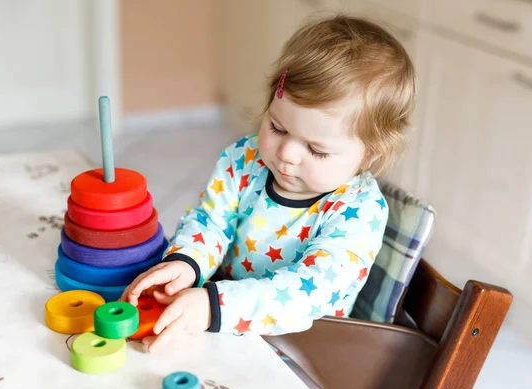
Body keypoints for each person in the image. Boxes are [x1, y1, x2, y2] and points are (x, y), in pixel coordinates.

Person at [120, 14, 417, 353]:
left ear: (368, 155)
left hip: (300, 350)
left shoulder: (359, 212)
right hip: (220, 317)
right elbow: (211, 222)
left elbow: (308, 294)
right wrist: (187, 262)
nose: (287, 153)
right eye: (277, 127)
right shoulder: (245, 160)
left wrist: (214, 306)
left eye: (317, 150)